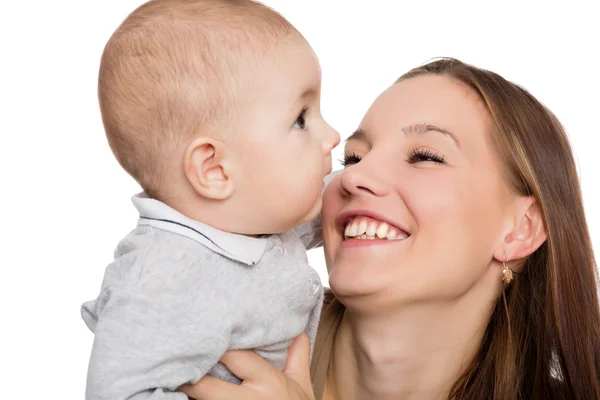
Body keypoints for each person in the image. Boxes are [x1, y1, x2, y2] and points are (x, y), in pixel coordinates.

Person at [180, 58, 600, 400]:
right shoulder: (212, 340)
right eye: (354, 158)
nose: (353, 178)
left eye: (425, 156)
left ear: (520, 229)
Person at [80, 0, 340, 399]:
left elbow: (334, 206)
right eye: (300, 119)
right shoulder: (162, 278)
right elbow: (116, 391)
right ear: (215, 169)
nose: (332, 136)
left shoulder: (250, 222)